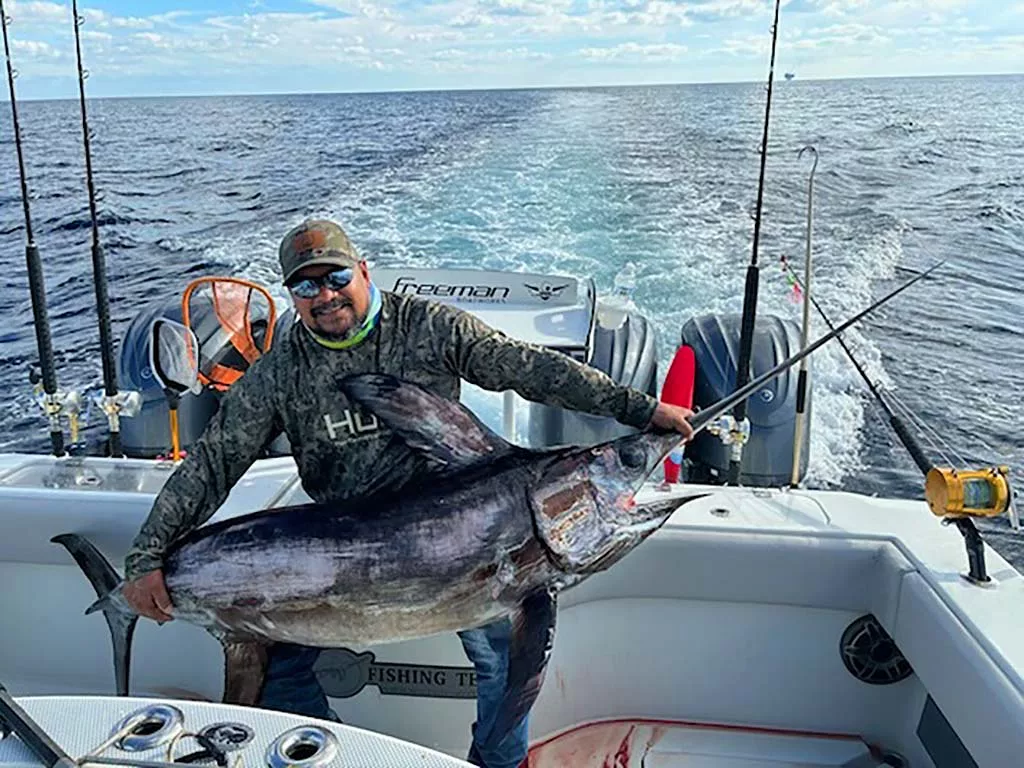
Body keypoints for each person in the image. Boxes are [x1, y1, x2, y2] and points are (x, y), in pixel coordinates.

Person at [122, 218, 695, 768]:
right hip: (340, 548)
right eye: (304, 285)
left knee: (502, 658)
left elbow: (528, 369)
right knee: (280, 669)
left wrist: (639, 410)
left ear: (364, 271)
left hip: (467, 534)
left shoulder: (428, 326)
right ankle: (323, 754)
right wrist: (147, 558)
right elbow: (216, 459)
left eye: (336, 277)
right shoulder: (281, 370)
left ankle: (497, 765)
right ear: (292, 294)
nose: (324, 295)